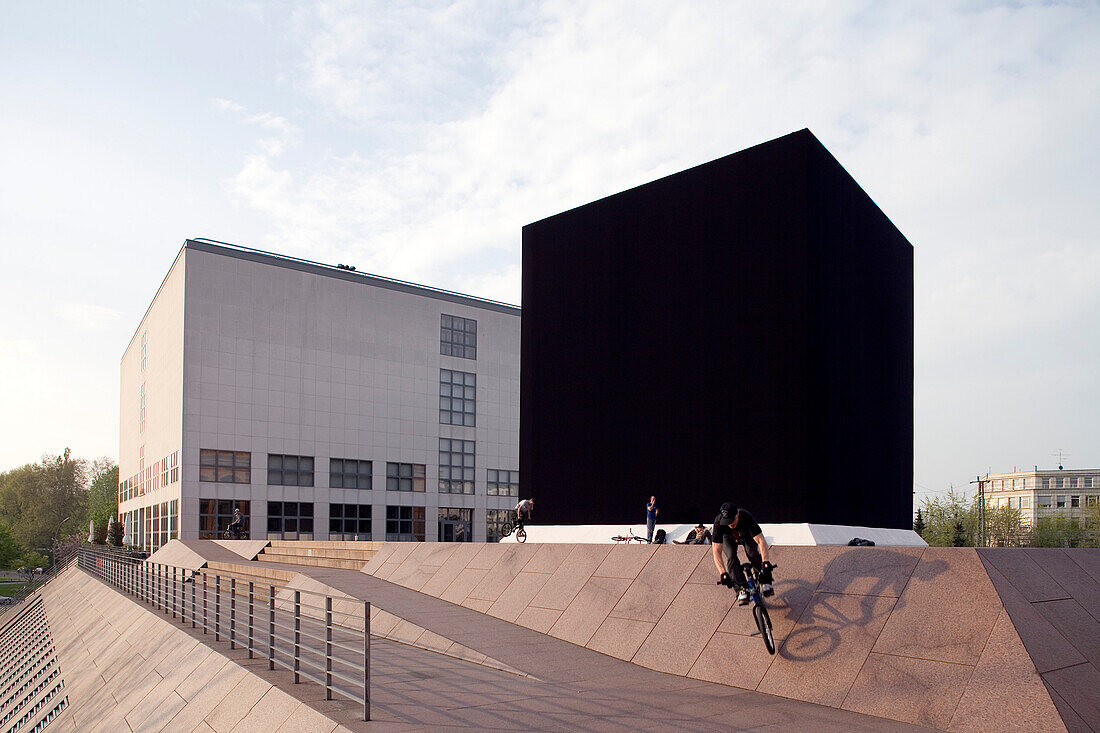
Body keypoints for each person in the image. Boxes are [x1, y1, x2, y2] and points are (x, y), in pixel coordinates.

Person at [712, 501, 774, 606]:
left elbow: (761, 540)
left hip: (746, 533)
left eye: (732, 520)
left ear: (737, 514)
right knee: (731, 557)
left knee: (752, 553)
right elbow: (716, 550)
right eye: (727, 521)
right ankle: (741, 589)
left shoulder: (746, 516)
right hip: (728, 537)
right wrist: (723, 573)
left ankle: (765, 581)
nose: (730, 524)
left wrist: (765, 562)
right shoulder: (719, 523)